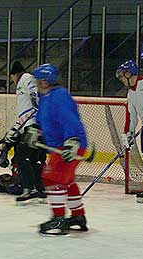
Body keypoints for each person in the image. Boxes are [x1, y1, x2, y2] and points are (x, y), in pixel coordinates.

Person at [28, 63, 88, 236]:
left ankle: (59, 218)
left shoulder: (59, 96)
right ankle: (78, 217)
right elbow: (42, 120)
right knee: (67, 181)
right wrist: (35, 130)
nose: (37, 83)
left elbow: (70, 120)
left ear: (47, 81)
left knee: (51, 178)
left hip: (68, 146)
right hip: (59, 147)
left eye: (40, 80)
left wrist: (72, 141)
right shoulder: (45, 97)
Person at [0, 61, 47, 203]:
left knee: (22, 156)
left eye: (12, 77)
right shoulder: (25, 81)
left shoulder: (26, 79)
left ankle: (28, 188)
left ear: (14, 75)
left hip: (33, 126)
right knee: (36, 158)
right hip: (34, 125)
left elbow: (35, 96)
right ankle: (39, 188)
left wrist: (36, 108)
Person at [116, 60, 143, 203]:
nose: (121, 80)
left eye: (122, 76)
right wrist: (129, 133)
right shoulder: (130, 93)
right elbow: (131, 115)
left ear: (129, 73)